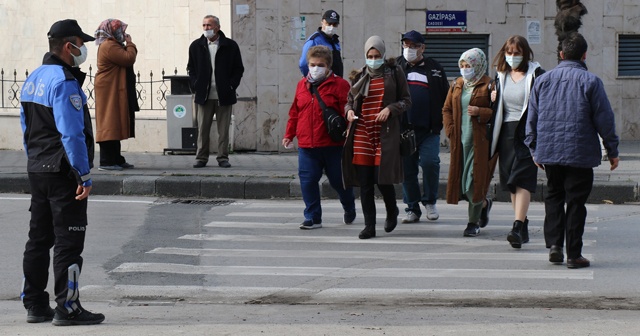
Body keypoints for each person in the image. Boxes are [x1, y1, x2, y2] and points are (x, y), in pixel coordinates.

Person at [19, 19, 105, 326]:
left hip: (37, 169)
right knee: (69, 241)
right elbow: (72, 134)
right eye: (81, 44)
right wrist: (83, 175)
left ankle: (35, 304)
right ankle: (68, 308)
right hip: (62, 172)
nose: (84, 49)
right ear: (69, 47)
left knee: (38, 238)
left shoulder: (33, 79)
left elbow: (25, 128)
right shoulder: (64, 81)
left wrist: (34, 163)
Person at [526, 32, 619, 269]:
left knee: (554, 197)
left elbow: (532, 117)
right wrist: (612, 149)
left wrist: (534, 148)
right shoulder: (591, 81)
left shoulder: (543, 80)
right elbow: (604, 119)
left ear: (561, 54)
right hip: (580, 153)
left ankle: (555, 245)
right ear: (584, 55)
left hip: (550, 151)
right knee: (576, 202)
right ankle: (573, 254)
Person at [342, 36, 411, 239]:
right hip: (362, 132)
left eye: (377, 55)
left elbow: (406, 100)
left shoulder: (395, 72)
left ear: (382, 54)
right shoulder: (359, 76)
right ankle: (369, 226)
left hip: (385, 133)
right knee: (365, 183)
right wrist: (348, 112)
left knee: (382, 179)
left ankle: (392, 210)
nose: (373, 59)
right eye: (370, 56)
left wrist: (391, 108)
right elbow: (348, 102)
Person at [283, 46, 356, 229]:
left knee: (338, 181)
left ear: (328, 66)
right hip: (307, 145)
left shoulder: (340, 85)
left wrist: (349, 131)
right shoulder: (302, 85)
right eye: (312, 65)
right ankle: (313, 217)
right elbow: (295, 112)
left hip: (333, 145)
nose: (315, 68)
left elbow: (347, 110)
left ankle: (349, 206)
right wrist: (289, 134)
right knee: (308, 180)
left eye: (320, 65)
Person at [490, 35, 544, 248]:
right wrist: (492, 99)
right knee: (512, 182)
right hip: (505, 133)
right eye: (509, 53)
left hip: (527, 133)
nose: (513, 57)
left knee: (522, 179)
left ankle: (517, 225)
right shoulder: (500, 76)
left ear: (526, 53)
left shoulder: (536, 75)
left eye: (517, 53)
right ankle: (522, 226)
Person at [442, 48, 497, 237]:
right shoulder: (457, 84)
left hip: (480, 143)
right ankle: (483, 203)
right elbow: (447, 109)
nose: (465, 69)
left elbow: (498, 113)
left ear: (478, 65)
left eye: (469, 66)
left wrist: (480, 112)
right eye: (462, 66)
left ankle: (472, 223)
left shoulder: (489, 85)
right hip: (460, 142)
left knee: (473, 181)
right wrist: (449, 130)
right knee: (462, 184)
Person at [396, 30, 449, 223]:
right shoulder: (396, 67)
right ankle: (412, 208)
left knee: (430, 163)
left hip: (428, 130)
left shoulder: (435, 68)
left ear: (422, 48)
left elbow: (446, 97)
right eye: (406, 45)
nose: (409, 49)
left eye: (414, 46)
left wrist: (444, 122)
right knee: (407, 170)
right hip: (404, 129)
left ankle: (430, 201)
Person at [188, 15, 244, 168]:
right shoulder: (196, 46)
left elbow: (238, 69)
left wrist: (231, 85)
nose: (206, 28)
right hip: (203, 95)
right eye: (204, 25)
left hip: (224, 95)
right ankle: (201, 158)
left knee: (223, 130)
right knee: (202, 129)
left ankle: (222, 157)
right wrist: (195, 84)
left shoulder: (230, 46)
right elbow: (191, 69)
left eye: (209, 25)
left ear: (217, 27)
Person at [94, 18, 139, 171]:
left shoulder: (111, 44)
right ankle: (106, 161)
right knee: (109, 122)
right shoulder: (109, 45)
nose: (123, 33)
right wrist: (130, 43)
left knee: (115, 122)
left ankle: (116, 159)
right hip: (109, 89)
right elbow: (128, 58)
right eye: (120, 30)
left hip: (112, 88)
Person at [299, 10, 343, 77]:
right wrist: (312, 79)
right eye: (329, 23)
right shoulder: (314, 40)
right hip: (321, 82)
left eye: (334, 24)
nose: (331, 27)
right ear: (322, 22)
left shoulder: (335, 41)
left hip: (336, 82)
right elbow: (303, 64)